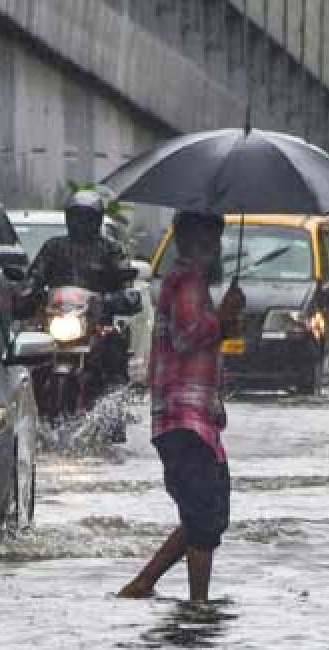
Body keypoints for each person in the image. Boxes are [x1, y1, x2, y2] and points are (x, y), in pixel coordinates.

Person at [118, 210, 244, 603]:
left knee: (206, 513)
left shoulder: (192, 284)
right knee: (204, 515)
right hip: (184, 421)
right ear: (195, 244)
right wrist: (223, 319)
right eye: (210, 241)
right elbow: (191, 336)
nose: (216, 249)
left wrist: (225, 322)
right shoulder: (187, 280)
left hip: (197, 420)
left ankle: (145, 583)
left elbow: (196, 342)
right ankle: (198, 604)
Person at [24, 190, 133, 407]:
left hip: (96, 324)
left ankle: (114, 411)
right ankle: (30, 405)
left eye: (87, 217)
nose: (81, 223)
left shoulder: (110, 249)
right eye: (77, 216)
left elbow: (124, 282)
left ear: (97, 220)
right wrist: (28, 292)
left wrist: (120, 298)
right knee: (28, 354)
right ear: (68, 218)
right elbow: (35, 276)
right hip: (57, 319)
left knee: (115, 346)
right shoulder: (53, 247)